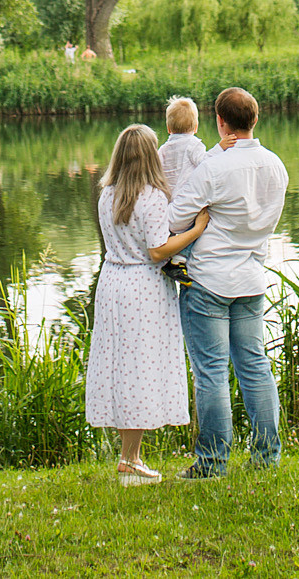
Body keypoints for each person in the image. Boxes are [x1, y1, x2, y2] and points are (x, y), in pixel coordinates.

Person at [165, 87, 289, 479]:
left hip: (209, 281)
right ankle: (266, 457)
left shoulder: (213, 167)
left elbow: (174, 218)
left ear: (220, 122)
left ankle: (212, 463)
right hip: (252, 279)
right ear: (255, 119)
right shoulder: (276, 166)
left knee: (212, 372)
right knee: (255, 365)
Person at [85, 123, 209, 484]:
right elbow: (157, 251)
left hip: (112, 282)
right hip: (143, 287)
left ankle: (130, 456)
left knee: (121, 366)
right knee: (140, 367)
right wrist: (196, 230)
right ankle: (130, 459)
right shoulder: (152, 198)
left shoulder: (107, 194)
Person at [159, 97, 207, 198]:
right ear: (196, 127)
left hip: (167, 197)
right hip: (187, 197)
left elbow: (156, 171)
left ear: (168, 128)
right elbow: (206, 165)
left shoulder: (163, 149)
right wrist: (219, 148)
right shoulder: (194, 145)